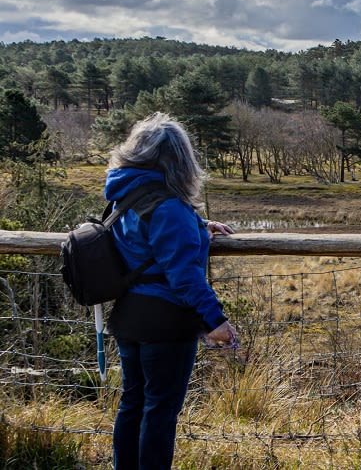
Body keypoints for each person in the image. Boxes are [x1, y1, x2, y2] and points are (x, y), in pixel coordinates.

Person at [105, 112, 239, 470]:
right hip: (165, 322)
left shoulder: (125, 196)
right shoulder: (169, 208)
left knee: (132, 403)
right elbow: (184, 276)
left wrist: (199, 224)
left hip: (128, 316)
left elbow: (145, 240)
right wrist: (216, 320)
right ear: (179, 159)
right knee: (160, 410)